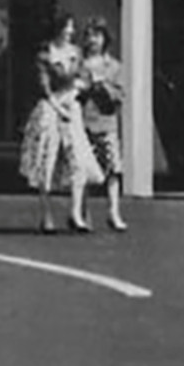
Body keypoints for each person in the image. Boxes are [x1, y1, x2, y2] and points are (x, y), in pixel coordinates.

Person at [16, 17, 100, 234]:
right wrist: (58, 105)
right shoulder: (45, 55)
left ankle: (75, 213)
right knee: (46, 159)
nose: (69, 31)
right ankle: (46, 215)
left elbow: (84, 79)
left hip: (71, 106)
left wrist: (74, 94)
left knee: (78, 159)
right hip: (50, 109)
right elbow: (44, 87)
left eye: (71, 27)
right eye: (66, 27)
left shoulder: (76, 53)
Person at [78, 19, 130, 232]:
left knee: (112, 169)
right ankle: (83, 213)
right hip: (83, 122)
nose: (93, 40)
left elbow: (120, 96)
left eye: (98, 35)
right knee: (83, 170)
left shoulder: (114, 67)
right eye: (90, 35)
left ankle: (114, 212)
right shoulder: (79, 64)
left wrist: (102, 85)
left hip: (106, 122)